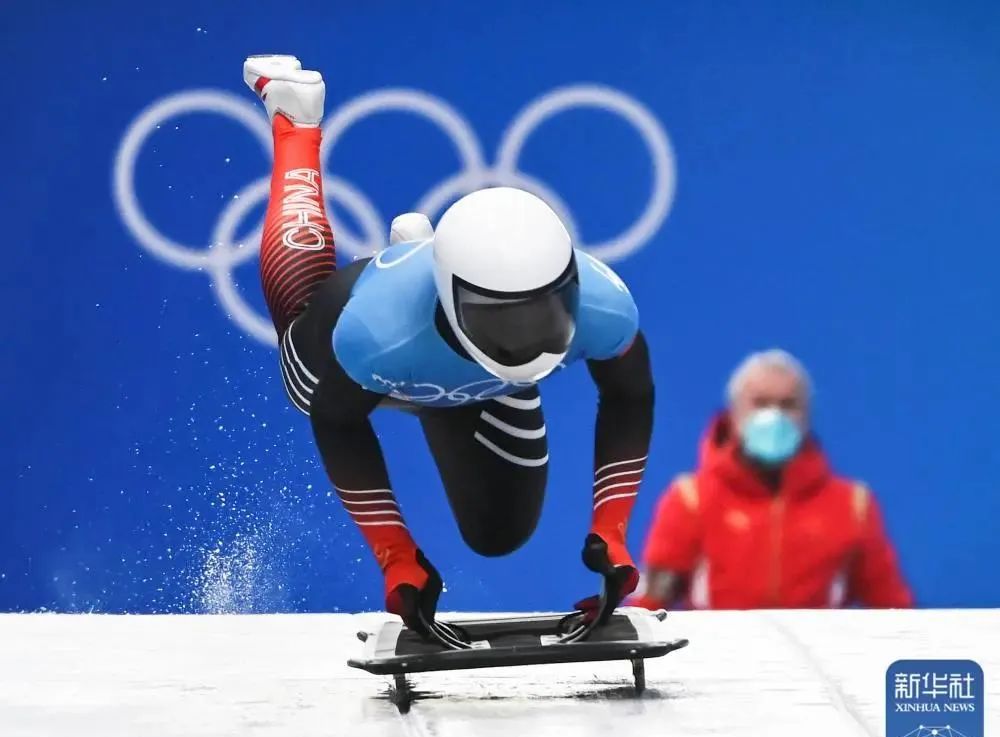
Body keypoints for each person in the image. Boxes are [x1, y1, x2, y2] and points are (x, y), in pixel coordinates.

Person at [243, 56, 655, 634]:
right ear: (450, 296)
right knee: (304, 380)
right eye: (503, 319)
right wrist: (395, 556)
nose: (528, 335)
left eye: (544, 311)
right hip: (388, 351)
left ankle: (419, 251)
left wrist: (612, 531)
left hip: (462, 374)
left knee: (498, 534)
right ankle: (295, 125)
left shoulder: (606, 308)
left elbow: (631, 397)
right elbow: (338, 424)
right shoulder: (373, 336)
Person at [632, 349, 913, 610]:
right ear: (734, 413)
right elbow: (651, 603)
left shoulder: (853, 505)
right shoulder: (690, 499)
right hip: (717, 659)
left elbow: (894, 609)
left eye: (788, 404)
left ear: (807, 415)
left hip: (815, 660)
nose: (774, 416)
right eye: (761, 403)